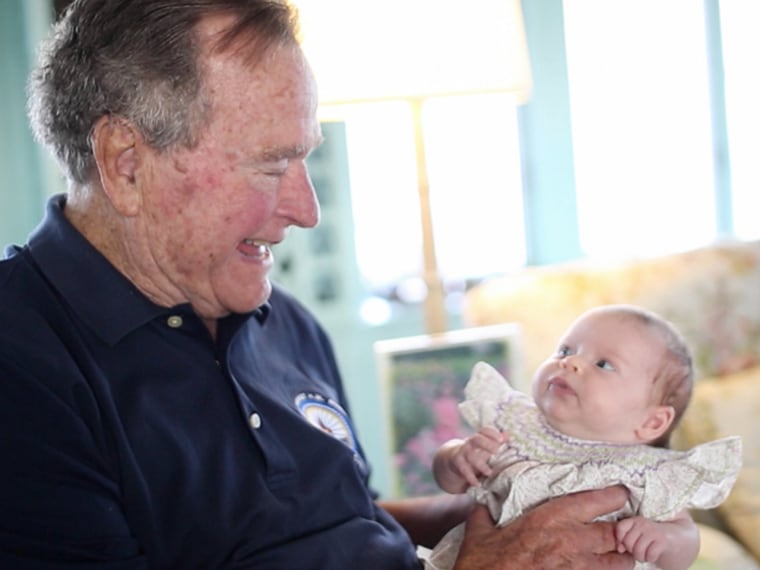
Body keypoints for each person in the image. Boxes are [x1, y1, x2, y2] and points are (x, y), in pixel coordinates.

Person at [0, 0, 638, 567]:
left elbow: (348, 520)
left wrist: (528, 518)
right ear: (125, 163)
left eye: (304, 157)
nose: (307, 210)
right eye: (272, 164)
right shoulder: (23, 363)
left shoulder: (288, 324)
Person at [428, 305, 743, 570]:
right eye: (565, 350)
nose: (571, 362)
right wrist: (455, 459)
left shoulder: (643, 473)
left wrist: (664, 539)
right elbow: (452, 483)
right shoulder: (513, 427)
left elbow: (686, 536)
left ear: (651, 422)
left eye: (604, 364)